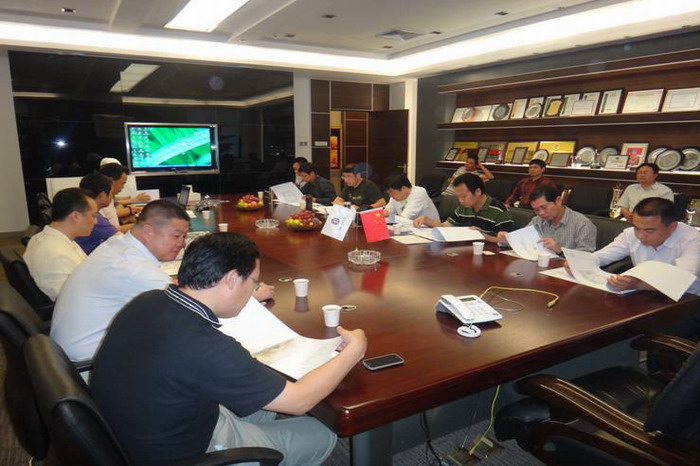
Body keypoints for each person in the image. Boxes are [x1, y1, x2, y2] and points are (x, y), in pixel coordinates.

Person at [90, 232, 367, 465]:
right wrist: (354, 349)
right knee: (322, 431)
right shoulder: (204, 346)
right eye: (253, 281)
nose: (253, 289)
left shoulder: (149, 300)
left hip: (139, 431)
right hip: (188, 452)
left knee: (266, 395)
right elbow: (299, 402)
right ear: (232, 279)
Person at [51, 200, 190, 362]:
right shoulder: (136, 270)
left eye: (184, 237)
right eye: (176, 236)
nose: (182, 244)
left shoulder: (115, 245)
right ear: (147, 231)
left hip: (66, 356)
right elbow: (189, 316)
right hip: (90, 364)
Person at [591, 197, 699, 296]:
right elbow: (601, 256)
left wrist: (637, 284)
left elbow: (682, 279)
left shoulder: (693, 239)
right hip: (644, 294)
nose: (640, 235)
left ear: (672, 227)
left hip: (687, 299)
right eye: (636, 228)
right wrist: (583, 263)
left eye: (649, 231)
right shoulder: (630, 234)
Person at [23, 188, 96, 300]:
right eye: (93, 216)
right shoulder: (57, 254)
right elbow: (70, 300)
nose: (96, 221)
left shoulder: (50, 237)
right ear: (76, 216)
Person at [497, 185, 597, 254]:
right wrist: (507, 240)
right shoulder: (537, 220)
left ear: (558, 201)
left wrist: (560, 250)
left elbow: (586, 258)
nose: (541, 213)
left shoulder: (582, 224)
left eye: (544, 207)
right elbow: (522, 242)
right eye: (536, 210)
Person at [414, 173, 513, 242]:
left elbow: (506, 242)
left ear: (478, 192)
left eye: (464, 196)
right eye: (458, 197)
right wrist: (426, 220)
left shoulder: (499, 210)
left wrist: (482, 236)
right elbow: (445, 226)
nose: (460, 200)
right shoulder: (464, 207)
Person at [75, 173, 119, 254]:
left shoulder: (83, 210)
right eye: (111, 193)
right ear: (102, 196)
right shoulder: (95, 219)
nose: (112, 197)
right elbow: (121, 240)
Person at [99, 163, 147, 232]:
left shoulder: (109, 198)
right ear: (111, 181)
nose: (123, 187)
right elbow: (109, 231)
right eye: (122, 183)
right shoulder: (102, 201)